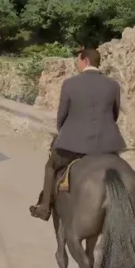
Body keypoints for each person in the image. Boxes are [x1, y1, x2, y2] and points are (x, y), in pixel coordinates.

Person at [29, 47, 126, 221]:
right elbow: (114, 114)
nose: (77, 64)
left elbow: (62, 116)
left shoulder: (70, 84)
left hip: (75, 145)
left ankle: (44, 208)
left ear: (86, 61)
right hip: (108, 145)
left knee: (51, 166)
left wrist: (63, 132)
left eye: (79, 60)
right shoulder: (113, 85)